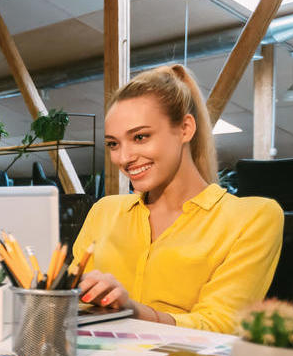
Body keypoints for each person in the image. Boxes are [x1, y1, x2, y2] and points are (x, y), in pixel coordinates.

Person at [73, 64, 282, 334]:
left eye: (140, 137)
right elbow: (67, 305)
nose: (123, 158)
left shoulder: (253, 218)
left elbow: (220, 328)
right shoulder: (104, 211)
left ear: (185, 128)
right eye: (114, 144)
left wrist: (133, 311)